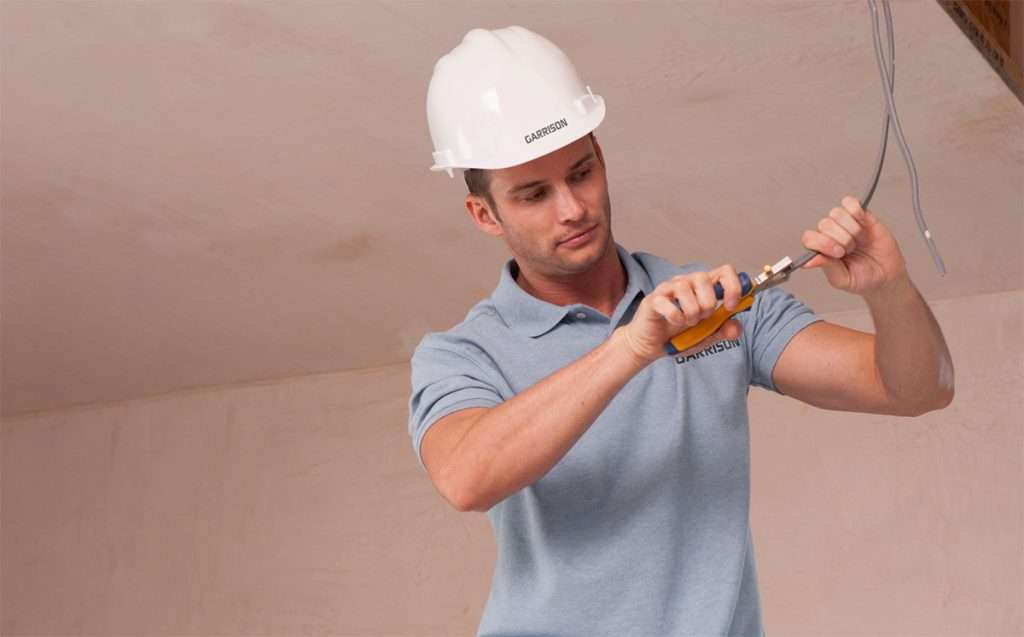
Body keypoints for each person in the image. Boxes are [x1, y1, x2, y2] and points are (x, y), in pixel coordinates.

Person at [408, 26, 954, 636]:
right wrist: (633, 346)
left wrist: (889, 289)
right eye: (535, 194)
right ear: (485, 214)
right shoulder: (462, 355)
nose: (573, 208)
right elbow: (465, 478)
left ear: (602, 158)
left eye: (581, 172)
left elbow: (919, 389)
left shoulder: (719, 304)